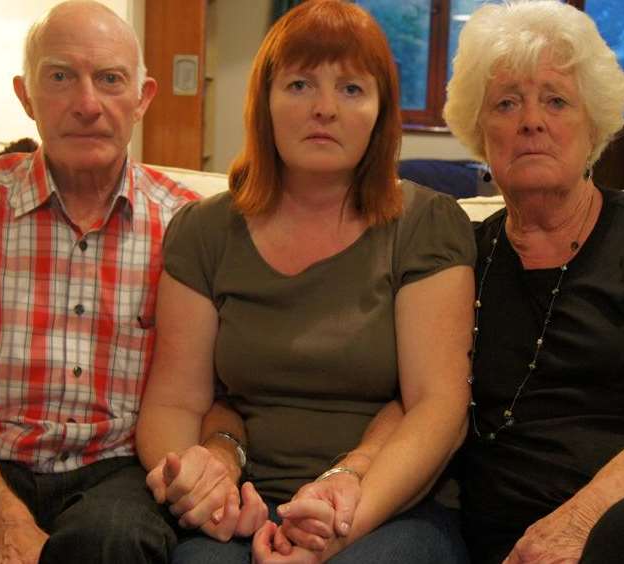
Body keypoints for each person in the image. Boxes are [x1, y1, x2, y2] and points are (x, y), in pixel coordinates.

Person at [135, 0, 476, 562]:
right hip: (244, 501)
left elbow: (437, 407)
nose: (324, 109)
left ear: (380, 111)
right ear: (264, 103)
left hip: (387, 504)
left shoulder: (426, 224)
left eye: (350, 89)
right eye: (299, 85)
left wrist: (341, 526)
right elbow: (174, 400)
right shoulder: (203, 230)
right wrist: (202, 490)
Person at [0, 2, 200, 562]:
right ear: (26, 94)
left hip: (119, 469)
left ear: (143, 98)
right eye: (60, 77)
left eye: (110, 80)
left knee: (114, 541)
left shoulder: (188, 225)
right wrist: (1, 519)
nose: (87, 104)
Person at [442, 1, 624, 563]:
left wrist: (584, 518)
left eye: (556, 100)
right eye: (506, 102)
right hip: (506, 541)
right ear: (480, 130)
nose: (532, 120)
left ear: (593, 123)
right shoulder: (460, 256)